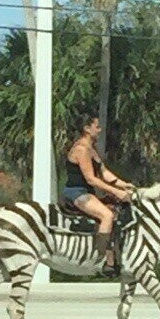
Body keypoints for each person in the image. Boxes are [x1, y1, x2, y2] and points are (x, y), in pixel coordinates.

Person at [63, 112, 133, 276]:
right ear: (87, 129)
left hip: (87, 192)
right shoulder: (81, 149)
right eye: (97, 126)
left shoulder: (92, 149)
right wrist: (116, 192)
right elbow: (91, 179)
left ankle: (115, 256)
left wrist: (126, 186)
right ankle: (101, 260)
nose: (100, 130)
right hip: (76, 193)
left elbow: (104, 173)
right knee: (107, 216)